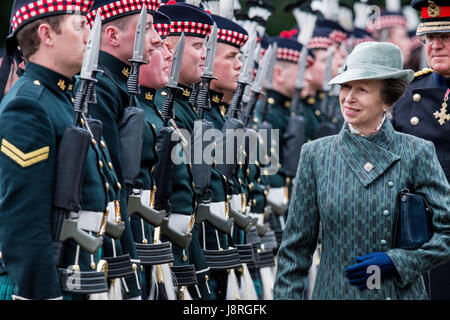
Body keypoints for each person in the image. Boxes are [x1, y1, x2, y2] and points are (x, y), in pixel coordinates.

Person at [274, 41, 450, 300]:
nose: (349, 98)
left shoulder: (417, 152)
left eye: (363, 90)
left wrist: (399, 262)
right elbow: (295, 251)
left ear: (387, 100)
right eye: (346, 87)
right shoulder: (316, 155)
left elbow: (446, 232)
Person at [0, 0, 119, 300]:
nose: (90, 34)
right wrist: (44, 295)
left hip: (80, 275)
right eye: (79, 25)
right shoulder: (29, 105)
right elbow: (24, 220)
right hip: (50, 286)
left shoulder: (62, 100)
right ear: (46, 34)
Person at [84, 0, 163, 300]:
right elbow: (112, 182)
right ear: (113, 36)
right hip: (110, 243)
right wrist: (126, 259)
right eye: (149, 28)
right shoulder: (103, 86)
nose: (157, 38)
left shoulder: (118, 85)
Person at [392, 0, 450, 300]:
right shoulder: (409, 92)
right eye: (430, 38)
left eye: (446, 37)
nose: (435, 46)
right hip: (421, 236)